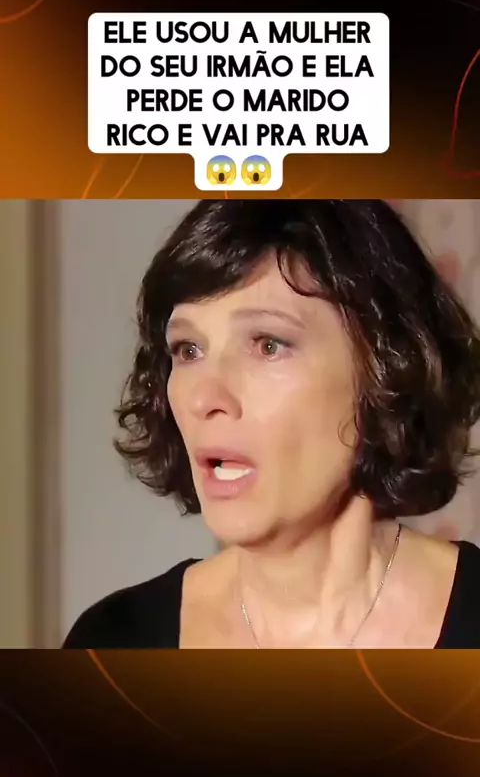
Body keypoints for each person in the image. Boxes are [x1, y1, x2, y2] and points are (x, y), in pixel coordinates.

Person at [63, 199, 480, 649]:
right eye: (188, 349)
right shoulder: (112, 640)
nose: (204, 397)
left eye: (267, 345)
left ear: (387, 368)